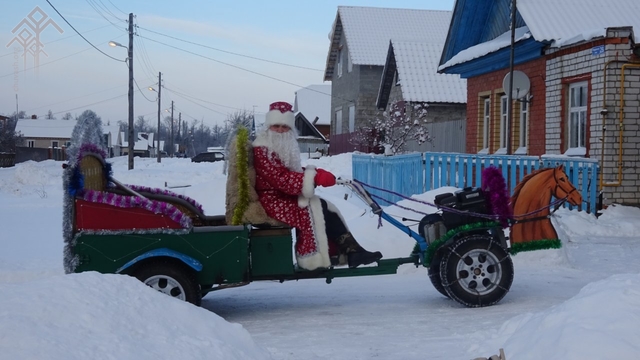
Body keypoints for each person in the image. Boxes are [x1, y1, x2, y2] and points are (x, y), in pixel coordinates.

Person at [252, 101, 382, 271]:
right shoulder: (262, 150)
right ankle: (310, 257)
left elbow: (292, 172)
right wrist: (314, 177)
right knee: (312, 207)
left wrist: (315, 172)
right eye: (276, 126)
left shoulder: (278, 148)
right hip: (270, 201)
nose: (281, 131)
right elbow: (281, 179)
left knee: (326, 206)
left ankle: (351, 252)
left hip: (281, 196)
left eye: (285, 127)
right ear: (268, 127)